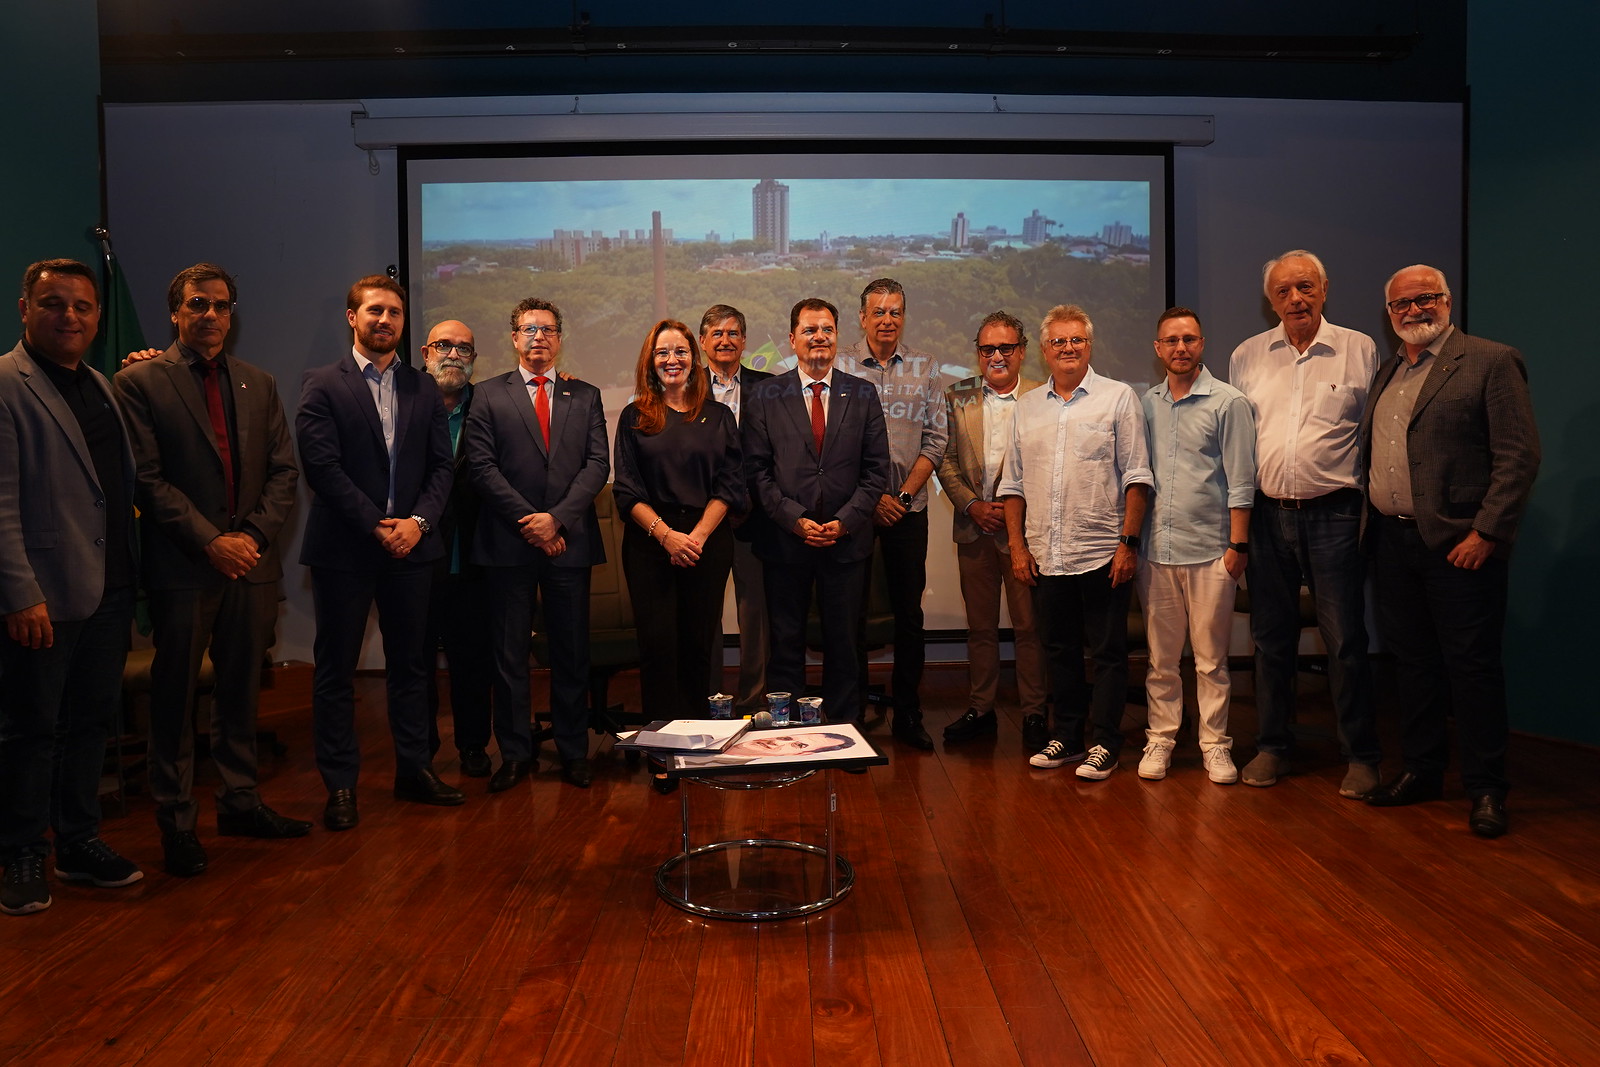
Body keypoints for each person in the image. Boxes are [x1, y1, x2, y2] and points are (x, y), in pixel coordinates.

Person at [113, 263, 309, 876]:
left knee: (239, 693)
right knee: (173, 700)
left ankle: (241, 801)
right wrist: (211, 541)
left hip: (250, 566)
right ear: (176, 312)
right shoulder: (141, 382)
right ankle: (175, 821)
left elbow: (283, 473)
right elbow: (146, 477)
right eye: (198, 304)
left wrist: (247, 538)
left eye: (222, 306)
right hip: (183, 569)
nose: (212, 315)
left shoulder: (259, 382)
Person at [1360, 265, 1540, 837]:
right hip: (1393, 543)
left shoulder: (1490, 360)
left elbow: (1519, 456)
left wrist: (1486, 532)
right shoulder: (1389, 371)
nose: (1413, 311)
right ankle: (1423, 771)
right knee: (1412, 667)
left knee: (1473, 670)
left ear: (1446, 300)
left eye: (1425, 299)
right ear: (1389, 314)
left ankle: (1487, 789)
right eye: (1401, 304)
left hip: (1460, 548)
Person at [1, 259, 142, 914]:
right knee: (32, 729)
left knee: (89, 722)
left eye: (83, 306)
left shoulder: (99, 385)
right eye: (54, 303)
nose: (71, 316)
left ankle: (79, 841)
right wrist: (20, 592)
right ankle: (21, 852)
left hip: (109, 587)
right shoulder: (7, 383)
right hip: (45, 596)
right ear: (25, 308)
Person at [297, 274, 461, 831]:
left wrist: (416, 524)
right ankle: (340, 785)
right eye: (375, 311)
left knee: (412, 667)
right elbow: (322, 468)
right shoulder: (321, 384)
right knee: (336, 670)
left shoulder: (423, 387)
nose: (385, 320)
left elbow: (443, 466)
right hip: (345, 550)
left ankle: (414, 770)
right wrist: (376, 525)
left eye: (394, 312)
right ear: (352, 317)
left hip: (413, 550)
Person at [1228, 250, 1381, 797]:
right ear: (1270, 300)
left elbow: (1375, 435)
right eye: (1284, 291)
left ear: (1324, 289)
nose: (1296, 299)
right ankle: (1273, 747)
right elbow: (1239, 444)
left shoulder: (1359, 349)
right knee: (1271, 641)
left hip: (1336, 514)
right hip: (1268, 517)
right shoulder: (1247, 356)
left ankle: (1360, 755)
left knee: (1345, 641)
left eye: (1306, 287)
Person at [999, 304, 1152, 780]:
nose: (1067, 348)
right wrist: (1019, 549)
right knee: (1059, 650)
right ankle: (1066, 736)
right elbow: (1013, 486)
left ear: (1090, 346)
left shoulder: (1118, 398)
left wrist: (1128, 544)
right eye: (1058, 342)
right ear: (1044, 351)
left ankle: (1105, 741)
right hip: (1046, 553)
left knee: (1107, 654)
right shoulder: (1026, 408)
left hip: (1103, 552)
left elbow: (1138, 477)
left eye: (1076, 341)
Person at [465, 297, 609, 791]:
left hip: (568, 542)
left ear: (560, 338)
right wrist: (531, 522)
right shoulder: (486, 395)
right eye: (529, 330)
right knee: (509, 657)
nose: (538, 338)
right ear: (513, 338)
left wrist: (557, 521)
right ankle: (514, 753)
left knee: (571, 654)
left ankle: (573, 750)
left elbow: (596, 467)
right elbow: (480, 467)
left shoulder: (585, 396)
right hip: (508, 543)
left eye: (548, 330)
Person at [742, 298, 890, 728]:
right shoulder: (766, 394)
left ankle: (846, 729)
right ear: (792, 339)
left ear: (837, 337)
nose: (819, 337)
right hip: (786, 541)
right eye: (809, 330)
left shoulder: (863, 393)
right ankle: (786, 731)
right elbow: (757, 471)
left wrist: (844, 522)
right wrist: (794, 518)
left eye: (827, 329)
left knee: (843, 643)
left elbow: (876, 469)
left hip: (846, 542)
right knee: (785, 642)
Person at [614, 319, 741, 792]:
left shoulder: (720, 416)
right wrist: (667, 536)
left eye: (681, 352)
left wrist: (697, 537)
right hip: (650, 543)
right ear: (651, 361)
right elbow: (626, 491)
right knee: (659, 647)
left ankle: (696, 747)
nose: (672, 360)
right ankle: (663, 752)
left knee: (696, 647)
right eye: (663, 352)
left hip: (707, 543)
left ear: (694, 358)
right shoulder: (633, 417)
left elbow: (730, 485)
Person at [1137, 308, 1257, 784]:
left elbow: (1242, 482)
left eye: (1189, 339)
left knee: (1211, 661)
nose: (1180, 348)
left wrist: (1237, 547)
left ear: (1202, 344)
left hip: (1212, 551)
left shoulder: (1229, 403)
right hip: (1156, 552)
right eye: (1171, 340)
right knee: (1161, 661)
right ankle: (1162, 738)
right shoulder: (1145, 404)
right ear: (1158, 349)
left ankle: (1215, 744)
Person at [836, 278, 948, 749]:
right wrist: (871, 498)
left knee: (909, 616)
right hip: (855, 511)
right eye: (878, 312)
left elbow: (936, 440)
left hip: (909, 510)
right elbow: (833, 446)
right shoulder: (839, 367)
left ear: (904, 317)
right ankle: (853, 713)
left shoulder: (925, 367)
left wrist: (900, 497)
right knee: (851, 615)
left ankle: (908, 713)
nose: (887, 320)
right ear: (862, 318)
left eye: (895, 312)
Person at [936, 311, 1049, 750]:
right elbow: (943, 458)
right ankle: (981, 708)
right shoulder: (956, 396)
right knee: (979, 628)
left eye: (1006, 348)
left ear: (1022, 352)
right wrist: (972, 504)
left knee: (1029, 628)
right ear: (978, 353)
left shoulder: (1044, 397)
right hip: (975, 529)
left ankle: (1035, 713)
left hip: (1028, 535)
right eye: (988, 349)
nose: (997, 356)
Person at [418, 320, 495, 779]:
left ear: (474, 359)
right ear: (426, 352)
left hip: (473, 555)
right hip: (417, 556)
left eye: (464, 348)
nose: (453, 354)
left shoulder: (488, 404)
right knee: (417, 661)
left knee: (473, 661)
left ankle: (472, 746)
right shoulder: (406, 402)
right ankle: (421, 751)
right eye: (444, 346)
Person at [700, 304, 773, 714]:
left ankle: (751, 701)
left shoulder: (770, 387)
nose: (725, 340)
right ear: (703, 341)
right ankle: (710, 702)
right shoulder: (684, 386)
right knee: (706, 614)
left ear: (744, 341)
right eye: (717, 333)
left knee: (755, 618)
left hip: (755, 519)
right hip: (702, 522)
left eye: (733, 333)